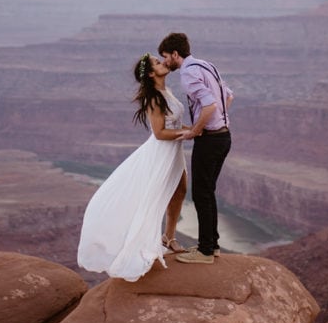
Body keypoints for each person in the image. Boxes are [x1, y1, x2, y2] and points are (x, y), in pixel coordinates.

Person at [76, 52, 190, 281]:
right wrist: (191, 133)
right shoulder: (154, 98)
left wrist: (195, 128)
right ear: (150, 73)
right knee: (153, 197)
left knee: (180, 191)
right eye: (157, 63)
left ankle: (168, 237)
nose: (162, 63)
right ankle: (143, 242)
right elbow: (159, 133)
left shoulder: (165, 92)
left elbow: (174, 122)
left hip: (174, 151)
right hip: (161, 153)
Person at [159, 32, 234, 265]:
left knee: (201, 194)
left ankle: (205, 252)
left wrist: (196, 130)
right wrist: (218, 120)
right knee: (207, 192)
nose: (165, 62)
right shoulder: (206, 65)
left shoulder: (188, 73)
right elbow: (228, 96)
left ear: (175, 54)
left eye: (165, 57)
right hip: (224, 136)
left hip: (210, 139)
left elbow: (210, 105)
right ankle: (213, 245)